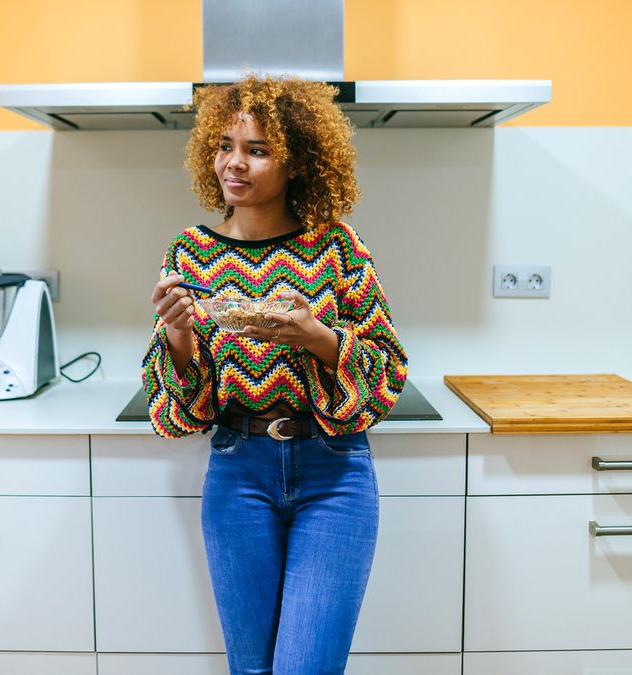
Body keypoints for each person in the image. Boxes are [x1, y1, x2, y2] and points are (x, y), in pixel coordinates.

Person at [141, 73, 407, 675]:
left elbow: (387, 366)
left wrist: (318, 338)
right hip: (238, 472)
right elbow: (181, 404)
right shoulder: (190, 254)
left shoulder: (337, 248)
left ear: (298, 164)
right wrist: (179, 333)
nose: (234, 164)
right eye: (225, 146)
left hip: (334, 474)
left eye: (257, 150)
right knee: (252, 670)